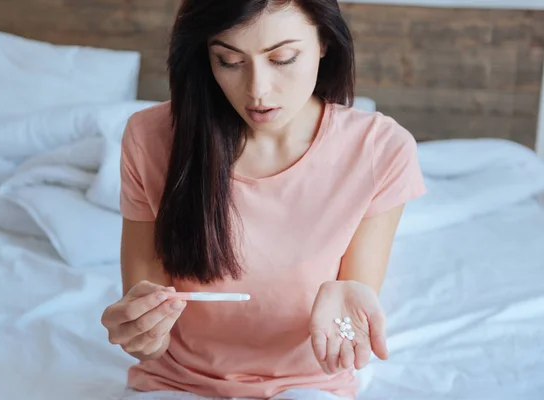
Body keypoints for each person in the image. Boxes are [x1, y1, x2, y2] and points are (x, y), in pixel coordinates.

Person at [101, 0, 426, 399]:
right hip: (178, 382)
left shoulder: (380, 149)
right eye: (229, 61)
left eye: (283, 58)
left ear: (324, 42)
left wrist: (350, 315)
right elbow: (148, 338)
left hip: (308, 384)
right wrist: (140, 334)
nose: (258, 91)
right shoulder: (150, 138)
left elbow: (352, 302)